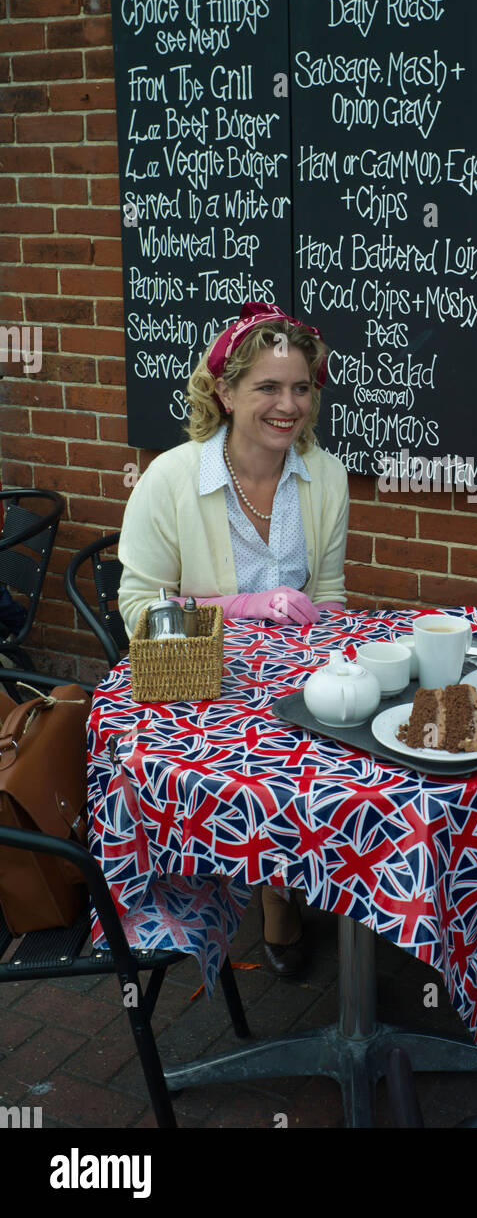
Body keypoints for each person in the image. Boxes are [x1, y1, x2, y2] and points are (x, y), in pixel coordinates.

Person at [118, 299, 349, 978]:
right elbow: (138, 606)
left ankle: (290, 885)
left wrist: (328, 664)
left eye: (302, 387)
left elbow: (328, 597)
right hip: (200, 690)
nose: (289, 405)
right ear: (223, 392)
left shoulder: (326, 476)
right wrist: (240, 605)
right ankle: (248, 892)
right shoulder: (169, 478)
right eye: (268, 388)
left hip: (292, 688)